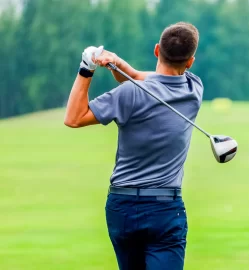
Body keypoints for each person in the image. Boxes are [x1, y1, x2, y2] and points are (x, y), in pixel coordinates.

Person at [63, 22, 202, 270]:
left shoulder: (127, 94)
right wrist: (118, 64)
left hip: (123, 207)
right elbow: (147, 78)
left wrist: (87, 68)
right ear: (190, 62)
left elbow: (74, 117)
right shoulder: (194, 89)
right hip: (165, 210)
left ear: (157, 50)